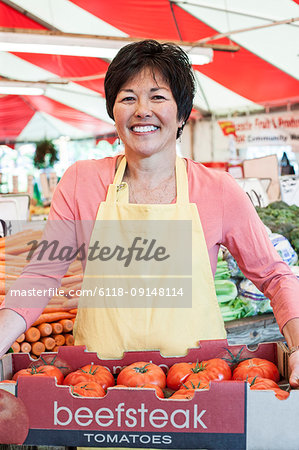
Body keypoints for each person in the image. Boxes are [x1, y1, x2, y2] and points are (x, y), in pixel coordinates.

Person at [0, 40, 299, 387]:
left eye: (158, 97)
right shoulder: (82, 181)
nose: (142, 110)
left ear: (182, 113)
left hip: (198, 384)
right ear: (114, 112)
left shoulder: (218, 190)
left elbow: (275, 276)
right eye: (128, 97)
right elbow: (41, 277)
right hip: (101, 389)